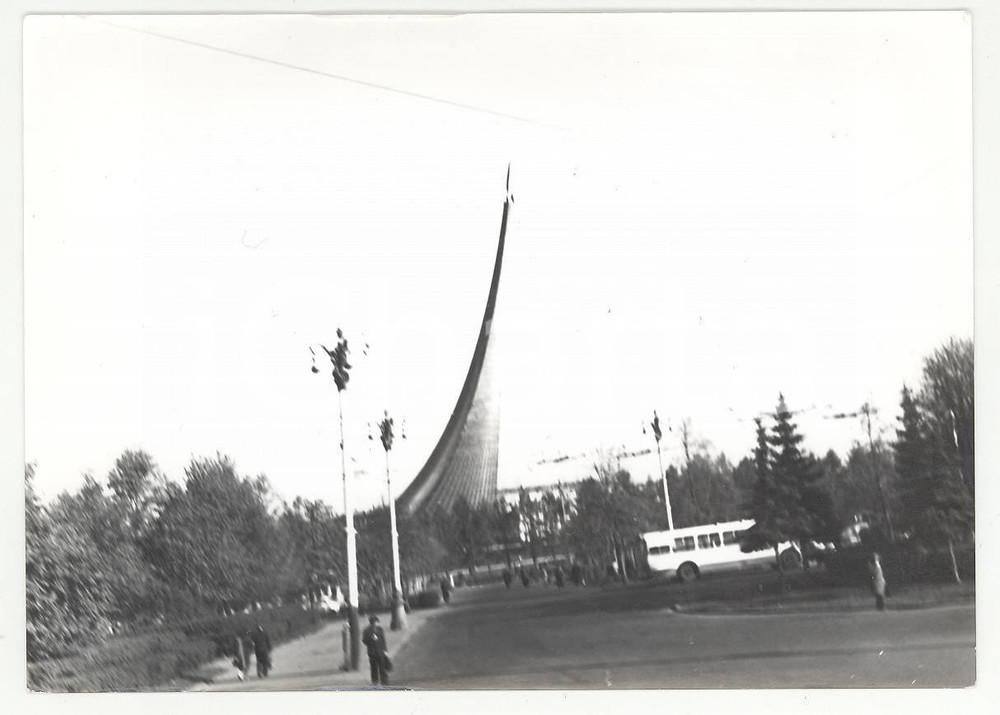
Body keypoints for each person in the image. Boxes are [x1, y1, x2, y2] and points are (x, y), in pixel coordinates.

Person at [361, 615, 390, 685]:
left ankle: (384, 681)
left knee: (382, 667)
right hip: (372, 652)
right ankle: (375, 681)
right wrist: (371, 639)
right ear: (371, 623)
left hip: (380, 651)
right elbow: (364, 641)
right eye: (374, 622)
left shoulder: (380, 629)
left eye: (376, 622)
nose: (376, 624)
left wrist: (385, 650)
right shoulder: (366, 630)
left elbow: (383, 640)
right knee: (374, 668)